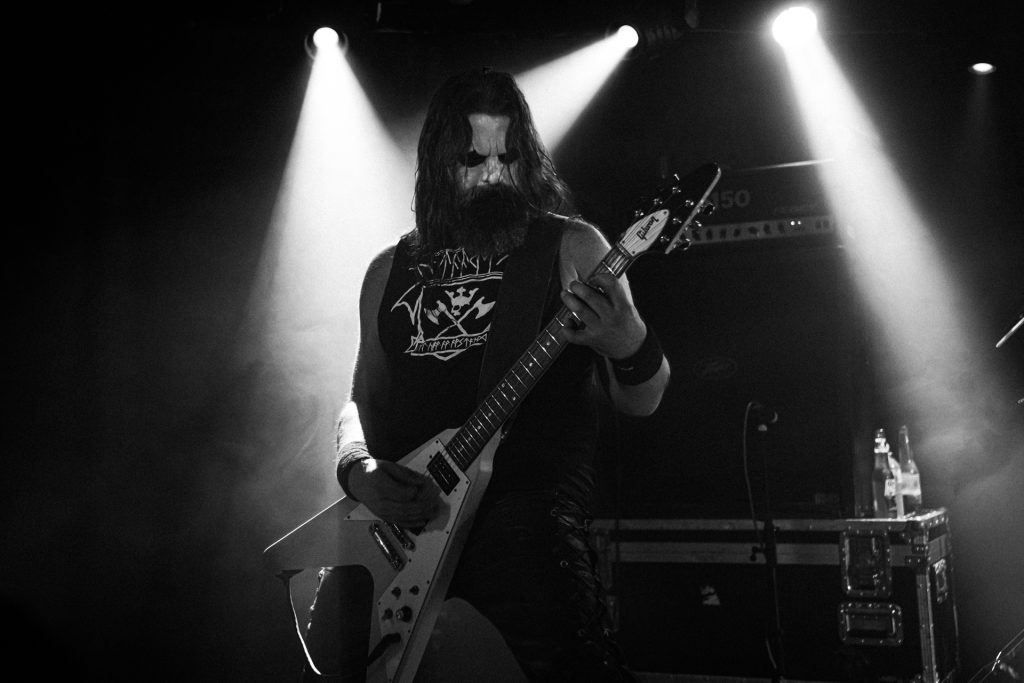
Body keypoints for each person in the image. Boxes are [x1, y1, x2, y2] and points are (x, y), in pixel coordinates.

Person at [303, 67, 670, 682]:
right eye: (474, 160)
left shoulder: (572, 248)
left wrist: (628, 342)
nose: (495, 174)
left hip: (523, 508)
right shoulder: (387, 269)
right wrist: (357, 469)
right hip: (404, 519)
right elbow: (358, 399)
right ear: (437, 163)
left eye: (509, 156)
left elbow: (645, 400)